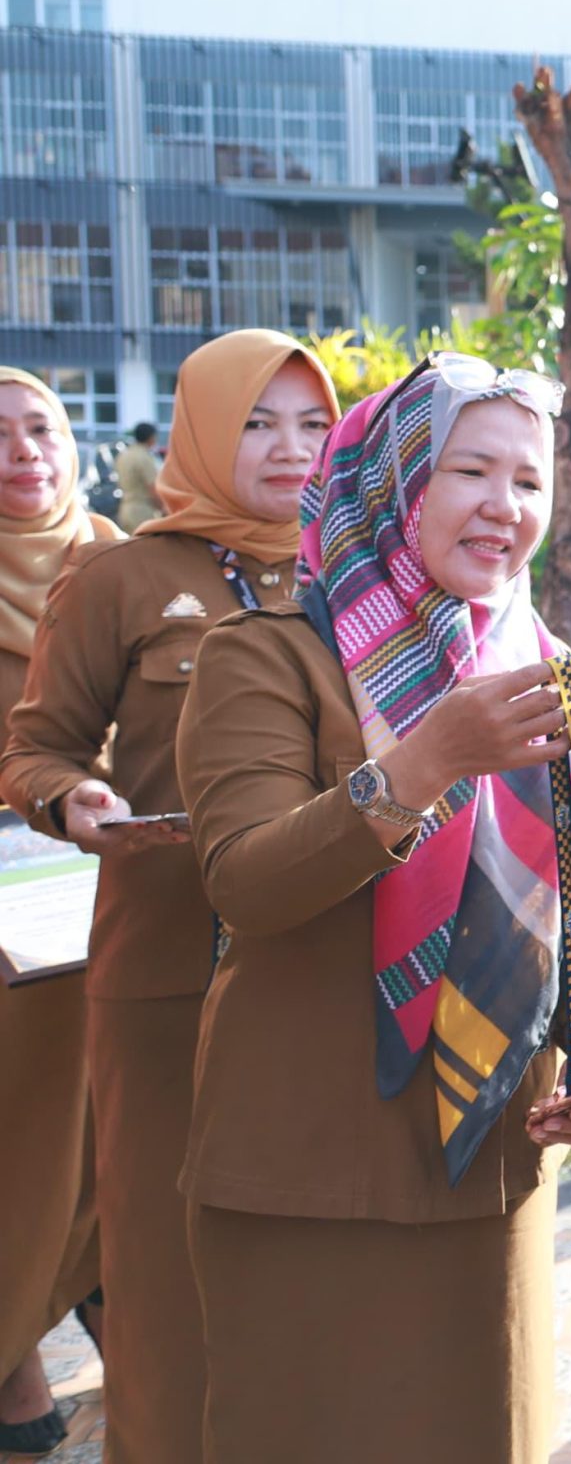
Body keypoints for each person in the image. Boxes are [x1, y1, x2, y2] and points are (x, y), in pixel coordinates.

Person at [172, 357, 571, 1460]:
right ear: (391, 482)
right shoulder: (268, 658)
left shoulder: (547, 669)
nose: (505, 507)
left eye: (529, 481)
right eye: (468, 469)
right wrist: (423, 762)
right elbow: (246, 880)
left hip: (488, 1160)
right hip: (307, 1170)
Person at [2, 332, 338, 1464]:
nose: (290, 450)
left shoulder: (365, 571)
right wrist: (72, 799)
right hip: (165, 982)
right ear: (199, 428)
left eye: (310, 423)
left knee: (316, 1270)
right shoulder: (121, 578)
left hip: (326, 977)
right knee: (161, 1284)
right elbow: (35, 746)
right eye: (257, 423)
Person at [0, 370, 116, 1460]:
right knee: (19, 1143)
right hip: (2, 944)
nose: (23, 452)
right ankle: (11, 1352)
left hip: (113, 905)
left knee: (111, 1128)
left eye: (41, 428)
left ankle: (90, 1287)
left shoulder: (120, 561)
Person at [114, 421, 163, 527]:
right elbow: (152, 487)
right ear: (151, 437)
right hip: (143, 510)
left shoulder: (124, 455)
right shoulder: (144, 457)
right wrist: (162, 508)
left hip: (125, 508)